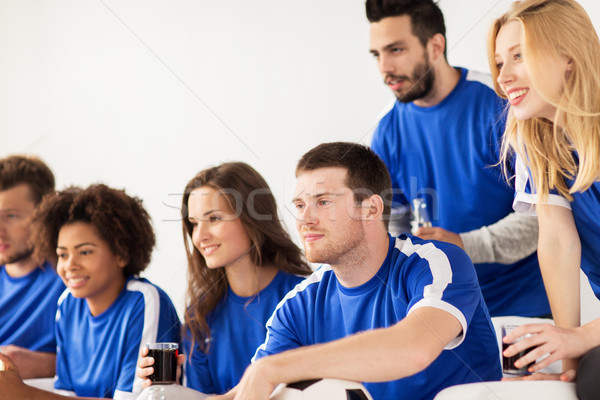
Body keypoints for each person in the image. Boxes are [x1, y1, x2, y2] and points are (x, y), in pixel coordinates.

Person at [214, 142, 501, 400]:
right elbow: (249, 391)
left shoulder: (436, 263)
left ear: (371, 209)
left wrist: (273, 369)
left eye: (323, 202)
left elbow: (413, 349)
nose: (304, 219)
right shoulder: (298, 304)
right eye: (300, 205)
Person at [366, 0, 550, 318]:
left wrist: (462, 243)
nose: (384, 68)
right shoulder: (386, 131)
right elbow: (392, 226)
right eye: (377, 54)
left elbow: (542, 217)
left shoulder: (504, 103)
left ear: (435, 46)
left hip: (521, 309)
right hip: (440, 311)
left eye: (396, 50)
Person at [488, 1, 600, 399]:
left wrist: (581, 339)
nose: (503, 77)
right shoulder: (542, 144)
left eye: (519, 56)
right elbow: (558, 243)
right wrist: (568, 360)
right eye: (501, 62)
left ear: (567, 55)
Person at [138, 162, 312, 395]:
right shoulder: (199, 316)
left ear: (253, 218)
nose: (199, 236)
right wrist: (175, 391)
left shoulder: (307, 297)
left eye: (214, 219)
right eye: (194, 223)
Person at [0, 184, 181, 400]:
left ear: (121, 253)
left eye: (85, 252)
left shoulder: (144, 300)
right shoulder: (66, 303)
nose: (70, 265)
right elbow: (65, 394)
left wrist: (26, 394)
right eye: (63, 255)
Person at [0, 155, 65, 379]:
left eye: (11, 216)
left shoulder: (72, 277)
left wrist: (47, 365)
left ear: (44, 214)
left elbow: (106, 359)